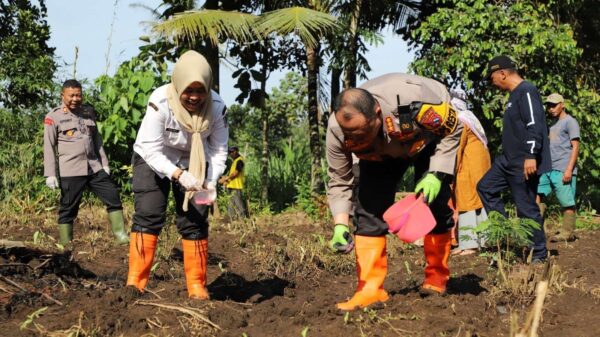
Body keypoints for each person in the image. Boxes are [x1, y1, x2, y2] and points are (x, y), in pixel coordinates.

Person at [326, 73, 463, 311]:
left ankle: (437, 276)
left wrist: (436, 174)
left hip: (427, 142)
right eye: (351, 136)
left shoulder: (417, 100)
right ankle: (370, 289)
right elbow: (339, 178)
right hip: (380, 156)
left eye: (361, 133)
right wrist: (339, 224)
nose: (355, 139)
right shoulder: (338, 130)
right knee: (368, 210)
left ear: (377, 113)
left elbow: (453, 129)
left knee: (435, 204)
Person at [125, 50, 228, 300]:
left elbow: (218, 149)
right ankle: (135, 285)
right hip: (153, 159)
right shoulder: (160, 101)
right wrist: (179, 175)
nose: (194, 97)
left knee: (195, 220)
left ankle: (196, 286)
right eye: (188, 91)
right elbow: (150, 148)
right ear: (178, 84)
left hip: (195, 161)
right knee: (149, 214)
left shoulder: (216, 107)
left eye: (200, 91)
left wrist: (211, 181)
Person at [477, 55, 551, 263]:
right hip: (506, 160)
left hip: (523, 161)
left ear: (502, 73)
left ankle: (539, 253)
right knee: (485, 187)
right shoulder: (513, 96)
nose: (492, 82)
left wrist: (530, 155)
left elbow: (534, 124)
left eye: (492, 77)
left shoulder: (526, 90)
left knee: (526, 207)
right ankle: (506, 230)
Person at [43, 79, 129, 246]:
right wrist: (51, 174)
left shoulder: (88, 112)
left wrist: (104, 163)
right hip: (71, 170)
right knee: (68, 208)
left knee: (113, 197)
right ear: (62, 96)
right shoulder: (53, 117)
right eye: (72, 95)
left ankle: (121, 237)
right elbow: (48, 146)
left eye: (79, 95)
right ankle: (66, 246)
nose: (75, 99)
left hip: (94, 167)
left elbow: (97, 140)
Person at [450, 89, 491, 255]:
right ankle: (486, 241)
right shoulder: (470, 117)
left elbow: (457, 149)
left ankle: (469, 244)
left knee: (467, 200)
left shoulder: (460, 120)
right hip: (481, 164)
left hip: (468, 165)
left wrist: (449, 171)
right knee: (480, 201)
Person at [536, 93, 580, 241]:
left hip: (562, 168)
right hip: (548, 168)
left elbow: (575, 147)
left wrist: (568, 170)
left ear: (563, 105)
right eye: (549, 105)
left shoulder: (570, 122)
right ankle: (537, 230)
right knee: (537, 195)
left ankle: (567, 233)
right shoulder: (553, 124)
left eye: (554, 105)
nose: (551, 108)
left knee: (566, 202)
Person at [218, 146, 248, 219]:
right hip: (231, 185)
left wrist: (226, 178)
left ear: (237, 151)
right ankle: (231, 218)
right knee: (230, 203)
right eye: (230, 152)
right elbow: (232, 174)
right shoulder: (234, 161)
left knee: (238, 203)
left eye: (233, 151)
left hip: (237, 186)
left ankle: (242, 218)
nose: (231, 153)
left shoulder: (239, 160)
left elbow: (236, 172)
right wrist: (226, 180)